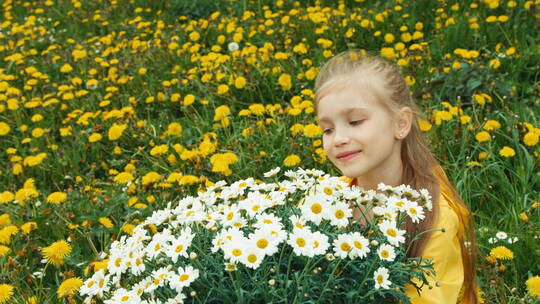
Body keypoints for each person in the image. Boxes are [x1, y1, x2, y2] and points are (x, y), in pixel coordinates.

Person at [313, 50, 478, 304]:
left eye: (355, 121)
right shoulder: (325, 198)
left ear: (401, 123)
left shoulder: (434, 219)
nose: (338, 139)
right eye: (327, 129)